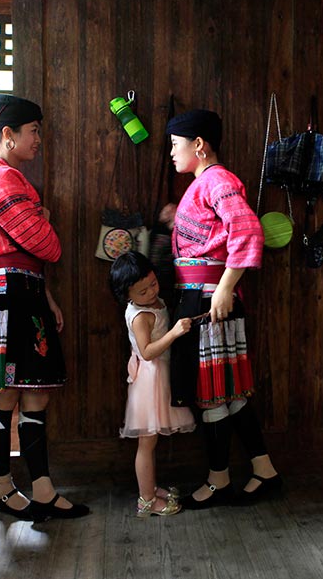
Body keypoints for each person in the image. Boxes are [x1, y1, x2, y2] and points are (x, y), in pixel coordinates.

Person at [0, 93, 88, 521]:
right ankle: (2, 487)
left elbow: (35, 249)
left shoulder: (9, 176)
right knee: (7, 392)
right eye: (34, 131)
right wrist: (44, 222)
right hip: (9, 289)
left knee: (35, 392)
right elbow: (46, 246)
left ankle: (42, 489)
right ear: (8, 134)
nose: (39, 139)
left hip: (23, 287)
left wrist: (46, 293)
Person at [163, 109, 282, 508]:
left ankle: (218, 480)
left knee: (213, 394)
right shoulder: (204, 183)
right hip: (203, 295)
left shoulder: (217, 179)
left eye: (176, 145)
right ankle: (264, 469)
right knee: (228, 394)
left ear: (199, 145)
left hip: (210, 298)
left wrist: (226, 287)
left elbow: (247, 230)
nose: (172, 153)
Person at [109, 251, 196, 517]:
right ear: (127, 296)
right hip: (149, 380)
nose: (151, 291)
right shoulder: (140, 315)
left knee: (152, 441)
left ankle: (150, 488)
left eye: (153, 284)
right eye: (143, 291)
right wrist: (174, 332)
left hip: (159, 375)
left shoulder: (152, 302)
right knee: (147, 443)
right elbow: (147, 351)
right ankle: (146, 500)